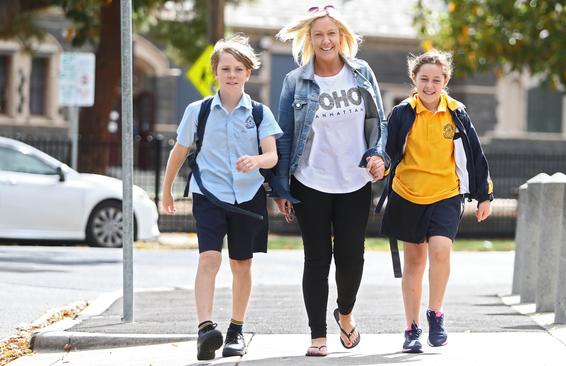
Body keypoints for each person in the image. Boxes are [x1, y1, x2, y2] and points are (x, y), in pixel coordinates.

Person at [275, 5, 389, 357]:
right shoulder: (296, 81)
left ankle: (346, 312)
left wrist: (378, 156)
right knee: (317, 258)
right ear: (309, 39)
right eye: (318, 34)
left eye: (331, 33)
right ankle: (317, 334)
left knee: (352, 256)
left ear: (342, 37)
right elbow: (284, 136)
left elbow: (378, 122)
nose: (326, 40)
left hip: (355, 181)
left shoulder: (361, 72)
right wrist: (280, 188)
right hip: (310, 182)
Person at [161, 34, 282, 361]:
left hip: (248, 197)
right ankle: (204, 330)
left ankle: (235, 330)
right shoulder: (198, 111)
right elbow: (179, 151)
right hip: (209, 196)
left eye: (238, 68)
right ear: (215, 72)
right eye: (225, 68)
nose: (231, 74)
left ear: (247, 73)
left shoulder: (259, 113)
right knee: (208, 259)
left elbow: (271, 155)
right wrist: (166, 188)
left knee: (241, 264)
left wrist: (256, 160)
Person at [380, 49, 493, 353]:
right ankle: (412, 328)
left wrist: (484, 195)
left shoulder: (457, 113)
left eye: (436, 80)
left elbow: (475, 156)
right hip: (407, 195)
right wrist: (380, 165)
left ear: (446, 81)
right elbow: (388, 151)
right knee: (414, 262)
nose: (429, 85)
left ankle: (436, 314)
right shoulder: (403, 112)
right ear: (413, 79)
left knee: (441, 250)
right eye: (423, 79)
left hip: (445, 193)